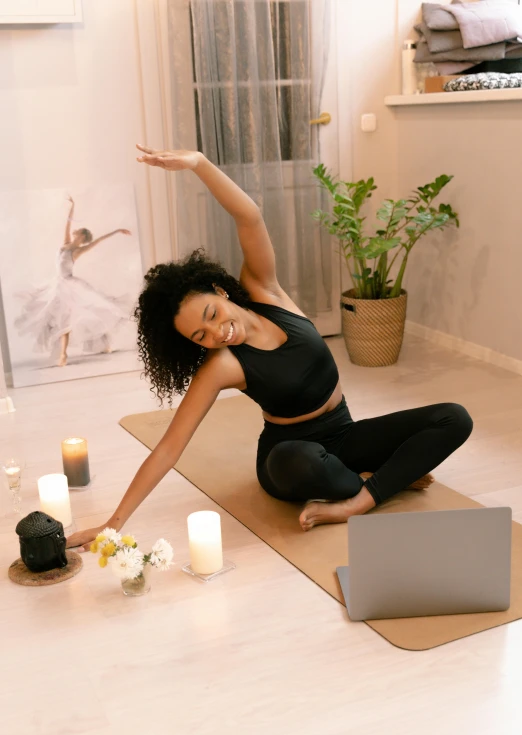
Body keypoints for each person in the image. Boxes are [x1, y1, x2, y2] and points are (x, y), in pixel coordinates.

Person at [67, 145, 473, 549]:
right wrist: (112, 523)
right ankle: (383, 481)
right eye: (200, 337)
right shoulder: (222, 365)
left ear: (220, 290)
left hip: (344, 432)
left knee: (454, 418)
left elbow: (249, 216)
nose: (216, 333)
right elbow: (169, 448)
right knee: (298, 461)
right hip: (289, 456)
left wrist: (199, 163)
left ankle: (355, 499)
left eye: (211, 315)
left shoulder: (265, 290)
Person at [15, 196, 132, 367]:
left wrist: (117, 231)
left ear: (82, 236)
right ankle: (73, 351)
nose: (73, 231)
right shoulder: (66, 243)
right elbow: (67, 223)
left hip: (70, 287)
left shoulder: (78, 250)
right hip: (57, 285)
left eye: (77, 232)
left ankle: (64, 354)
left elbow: (98, 241)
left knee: (73, 318)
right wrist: (73, 206)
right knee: (57, 319)